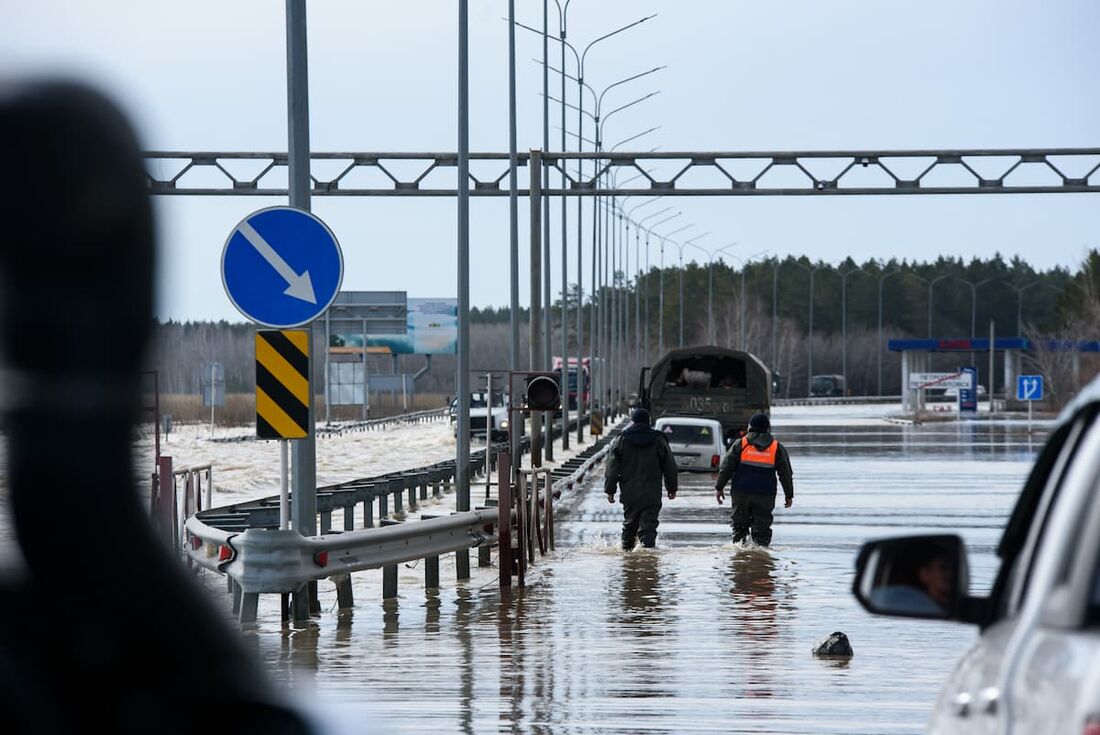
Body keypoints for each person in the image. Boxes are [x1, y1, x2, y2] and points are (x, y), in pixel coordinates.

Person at [714, 412, 794, 547]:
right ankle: (760, 561)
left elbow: (726, 467)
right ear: (767, 428)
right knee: (762, 531)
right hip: (765, 495)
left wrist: (719, 487)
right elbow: (785, 474)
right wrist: (789, 495)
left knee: (739, 528)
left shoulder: (741, 444)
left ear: (750, 427)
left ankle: (739, 559)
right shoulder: (776, 448)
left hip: (741, 493)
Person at [604, 407, 679, 550]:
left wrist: (610, 490)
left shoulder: (622, 439)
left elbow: (612, 467)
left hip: (629, 492)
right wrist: (672, 488)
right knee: (648, 527)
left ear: (633, 421)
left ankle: (626, 557)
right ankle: (647, 560)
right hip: (652, 492)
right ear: (648, 421)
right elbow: (670, 466)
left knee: (630, 524)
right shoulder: (658, 439)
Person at [870, 542, 954, 615]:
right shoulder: (912, 603)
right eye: (943, 568)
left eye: (953, 568)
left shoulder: (953, 604)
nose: (950, 573)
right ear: (925, 574)